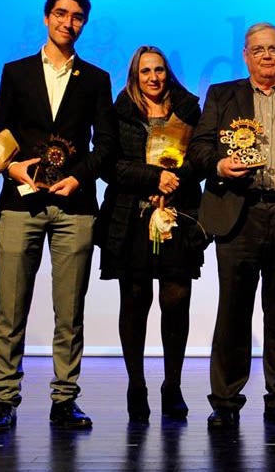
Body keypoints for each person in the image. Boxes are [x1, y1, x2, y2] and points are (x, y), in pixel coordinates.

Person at [0, 0, 114, 433]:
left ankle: (65, 398)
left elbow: (107, 145)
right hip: (21, 205)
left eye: (77, 17)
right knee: (11, 307)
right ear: (45, 17)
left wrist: (81, 175)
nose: (68, 22)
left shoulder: (96, 79)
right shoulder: (15, 72)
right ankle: (4, 399)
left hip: (74, 206)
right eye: (61, 14)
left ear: (84, 24)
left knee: (69, 309)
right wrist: (12, 167)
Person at [188, 22, 275, 429]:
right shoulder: (223, 95)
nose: (266, 56)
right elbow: (200, 148)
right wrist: (221, 166)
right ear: (245, 55)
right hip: (239, 212)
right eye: (258, 49)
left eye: (274, 49)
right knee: (234, 311)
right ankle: (225, 400)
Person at [95, 46, 207, 423]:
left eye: (159, 70)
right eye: (146, 72)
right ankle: (136, 384)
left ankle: (172, 385)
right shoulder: (120, 110)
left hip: (179, 214)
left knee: (176, 299)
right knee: (136, 298)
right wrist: (153, 177)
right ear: (135, 76)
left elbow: (202, 156)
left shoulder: (189, 108)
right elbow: (110, 165)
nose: (154, 77)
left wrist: (177, 178)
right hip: (131, 217)